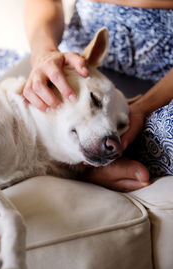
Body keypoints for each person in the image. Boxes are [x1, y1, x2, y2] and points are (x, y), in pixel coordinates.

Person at [23, 0, 173, 192]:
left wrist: (142, 109)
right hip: (75, 65)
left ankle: (76, 167)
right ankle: (81, 166)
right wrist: (45, 53)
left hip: (160, 87)